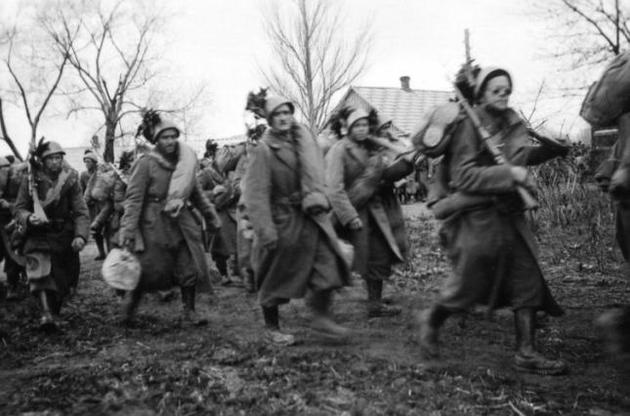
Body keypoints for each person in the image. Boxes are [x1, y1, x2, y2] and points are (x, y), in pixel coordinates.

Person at [416, 67, 569, 375]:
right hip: (476, 217)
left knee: (527, 278)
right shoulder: (467, 125)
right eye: (495, 90)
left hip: (509, 213)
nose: (503, 94)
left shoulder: (511, 122)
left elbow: (518, 157)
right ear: (481, 93)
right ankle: (431, 320)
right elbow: (464, 176)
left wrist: (550, 151)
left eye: (506, 90)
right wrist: (510, 175)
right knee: (468, 285)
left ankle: (526, 352)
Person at [242, 95, 351, 345]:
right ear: (269, 119)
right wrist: (265, 230)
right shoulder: (263, 149)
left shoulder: (304, 141)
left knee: (327, 265)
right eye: (277, 114)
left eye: (287, 113)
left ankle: (321, 318)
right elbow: (255, 194)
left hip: (309, 217)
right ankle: (272, 328)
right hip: (281, 220)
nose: (283, 118)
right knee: (274, 276)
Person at [119, 114, 220, 326]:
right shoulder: (145, 163)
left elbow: (195, 192)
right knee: (147, 270)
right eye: (165, 137)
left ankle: (189, 311)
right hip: (152, 225)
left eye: (174, 136)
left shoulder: (184, 163)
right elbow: (134, 199)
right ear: (156, 140)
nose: (170, 141)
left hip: (179, 222)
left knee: (188, 265)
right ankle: (129, 310)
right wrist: (128, 230)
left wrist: (210, 215)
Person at [326, 108, 413, 318]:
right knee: (337, 257)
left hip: (377, 211)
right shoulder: (340, 150)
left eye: (364, 124)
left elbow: (394, 162)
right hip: (353, 211)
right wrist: (350, 216)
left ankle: (375, 303)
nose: (362, 129)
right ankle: (322, 304)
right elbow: (334, 188)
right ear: (347, 128)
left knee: (379, 255)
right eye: (357, 125)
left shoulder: (372, 146)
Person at [14, 141, 89, 330]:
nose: (55, 162)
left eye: (58, 158)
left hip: (63, 235)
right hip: (38, 234)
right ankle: (46, 314)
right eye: (51, 158)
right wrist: (29, 218)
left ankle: (54, 312)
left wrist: (80, 235)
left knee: (65, 279)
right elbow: (19, 208)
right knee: (40, 273)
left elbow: (80, 210)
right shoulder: (30, 178)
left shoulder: (70, 179)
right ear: (42, 160)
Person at [0, 157, 27, 301]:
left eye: (4, 170)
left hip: (12, 222)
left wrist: (8, 205)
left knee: (13, 254)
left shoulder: (17, 181)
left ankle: (12, 286)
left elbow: (22, 204)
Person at [81, 151, 108, 260]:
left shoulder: (100, 173)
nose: (87, 164)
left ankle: (110, 250)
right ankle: (101, 252)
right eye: (85, 162)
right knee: (95, 230)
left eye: (89, 161)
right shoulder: (84, 175)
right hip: (91, 207)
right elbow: (81, 190)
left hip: (102, 205)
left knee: (106, 228)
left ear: (94, 162)